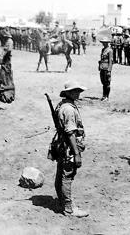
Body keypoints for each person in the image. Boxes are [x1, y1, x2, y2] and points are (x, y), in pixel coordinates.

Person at [54, 80, 89, 218]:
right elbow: (70, 132)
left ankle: (63, 202)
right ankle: (68, 208)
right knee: (67, 175)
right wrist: (76, 153)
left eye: (79, 90)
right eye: (75, 91)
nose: (78, 93)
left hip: (62, 144)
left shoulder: (63, 105)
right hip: (69, 146)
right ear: (68, 93)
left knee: (61, 174)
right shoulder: (68, 109)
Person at [98, 37, 113, 101]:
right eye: (103, 43)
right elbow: (101, 59)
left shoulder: (110, 50)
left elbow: (111, 61)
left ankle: (107, 96)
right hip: (102, 67)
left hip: (106, 68)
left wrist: (109, 70)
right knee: (103, 82)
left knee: (107, 83)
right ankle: (104, 95)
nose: (104, 44)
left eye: (105, 43)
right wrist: (99, 66)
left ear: (107, 43)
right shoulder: (103, 49)